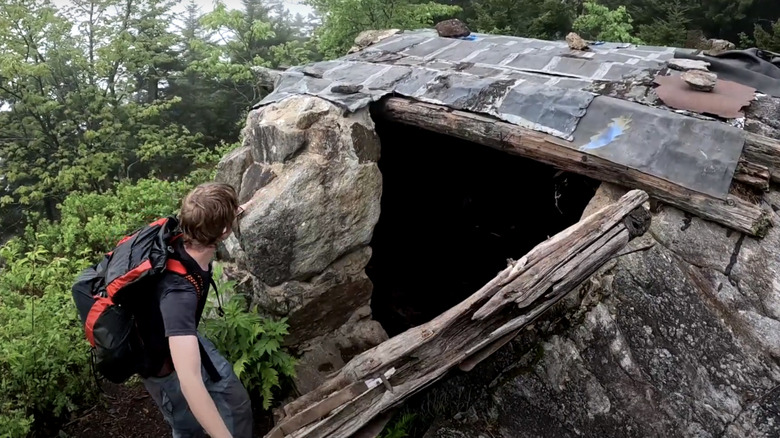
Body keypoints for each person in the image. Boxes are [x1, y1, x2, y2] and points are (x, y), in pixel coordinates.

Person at [134, 182, 253, 438]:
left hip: (182, 337)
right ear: (223, 232)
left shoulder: (184, 230)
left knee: (236, 404)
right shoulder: (179, 295)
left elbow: (223, 216)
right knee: (189, 429)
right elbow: (190, 382)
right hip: (162, 364)